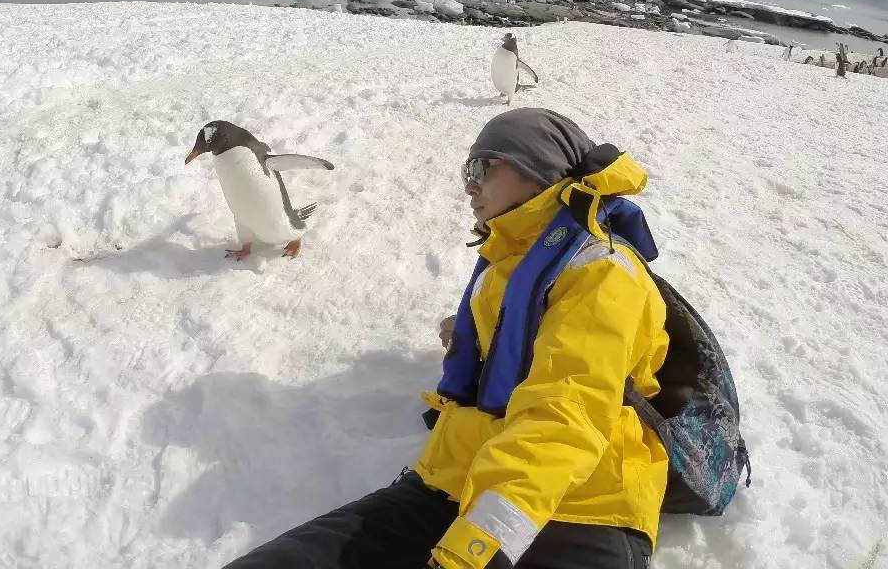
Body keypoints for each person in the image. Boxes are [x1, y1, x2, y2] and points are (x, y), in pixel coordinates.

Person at [225, 108, 669, 569]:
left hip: (578, 511)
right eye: (466, 171)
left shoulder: (602, 272)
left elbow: (565, 416)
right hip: (450, 486)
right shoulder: (514, 259)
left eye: (481, 168)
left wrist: (478, 545)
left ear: (538, 168)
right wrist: (468, 339)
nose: (468, 184)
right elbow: (524, 347)